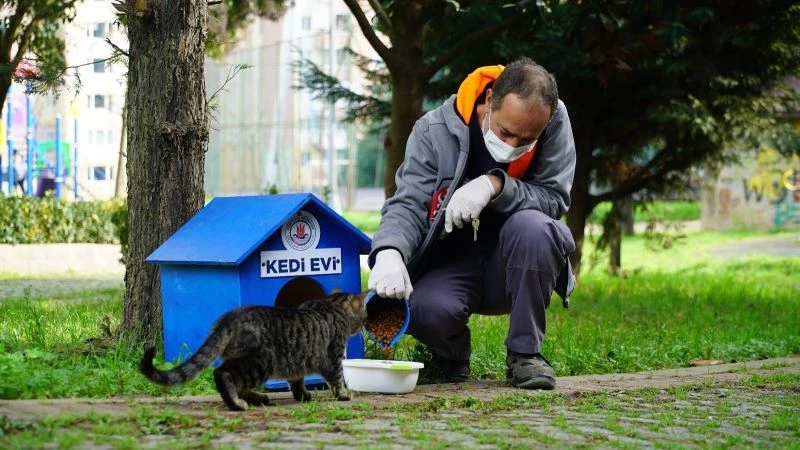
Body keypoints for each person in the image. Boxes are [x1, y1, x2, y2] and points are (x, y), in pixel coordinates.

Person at [367, 57, 576, 390]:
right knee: (423, 308)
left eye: (526, 140)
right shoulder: (433, 131)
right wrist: (389, 251)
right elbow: (408, 204)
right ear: (489, 99)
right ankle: (451, 355)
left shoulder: (554, 120)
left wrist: (495, 186)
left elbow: (554, 200)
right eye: (506, 132)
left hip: (515, 264)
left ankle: (525, 355)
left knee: (536, 229)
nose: (512, 147)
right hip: (449, 264)